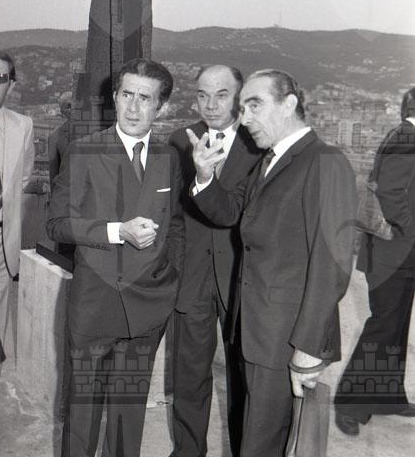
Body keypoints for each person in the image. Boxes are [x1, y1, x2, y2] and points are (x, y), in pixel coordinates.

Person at [187, 68, 357, 457]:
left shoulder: (324, 161)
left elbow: (331, 266)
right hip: (253, 333)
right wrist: (204, 176)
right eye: (242, 107)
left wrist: (309, 346)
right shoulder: (270, 161)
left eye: (254, 105)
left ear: (289, 104)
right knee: (251, 439)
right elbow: (229, 211)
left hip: (285, 338)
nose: (244, 118)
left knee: (264, 443)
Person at [46, 58, 185, 457]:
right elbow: (57, 224)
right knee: (82, 415)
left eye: (145, 98)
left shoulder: (168, 157)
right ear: (114, 97)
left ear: (161, 107)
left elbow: (176, 226)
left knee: (129, 415)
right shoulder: (84, 151)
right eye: (127, 95)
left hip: (148, 306)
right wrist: (115, 231)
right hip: (94, 302)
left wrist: (170, 279)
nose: (133, 107)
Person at [168, 65, 262, 457]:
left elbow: (240, 213)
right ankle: (187, 451)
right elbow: (172, 214)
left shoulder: (259, 145)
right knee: (188, 376)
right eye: (203, 95)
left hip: (240, 278)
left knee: (243, 380)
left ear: (240, 98)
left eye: (221, 95)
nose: (210, 105)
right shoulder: (180, 140)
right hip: (192, 278)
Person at [334, 88, 415, 435]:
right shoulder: (407, 139)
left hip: (397, 251)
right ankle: (349, 404)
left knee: (396, 325)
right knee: (383, 325)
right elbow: (392, 195)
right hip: (393, 252)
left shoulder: (405, 135)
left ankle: (387, 396)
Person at [0, 49, 35, 427]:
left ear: (11, 84)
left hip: (0, 244)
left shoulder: (23, 126)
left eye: (0, 78)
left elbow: (21, 180)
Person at [48, 91, 73, 185]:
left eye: (76, 104)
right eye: (68, 106)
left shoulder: (95, 131)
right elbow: (53, 175)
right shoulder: (55, 137)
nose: (73, 109)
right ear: (62, 111)